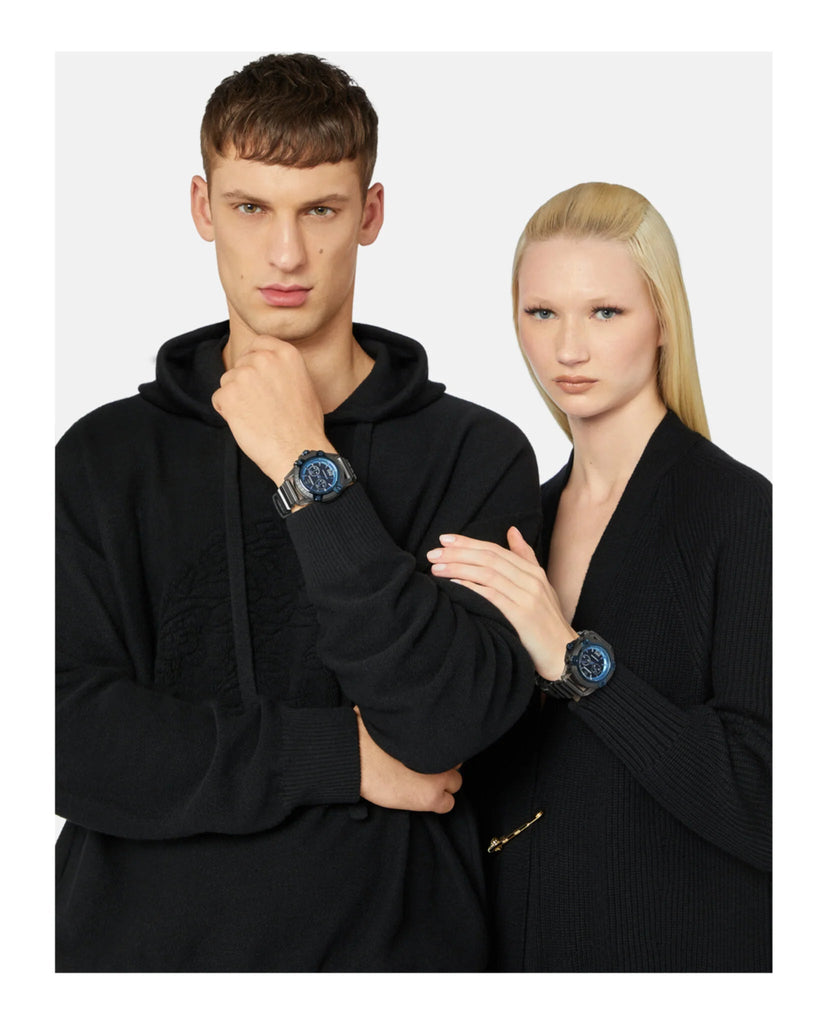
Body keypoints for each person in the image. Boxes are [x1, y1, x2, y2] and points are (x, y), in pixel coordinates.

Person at [55, 52, 541, 972]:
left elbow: (445, 722)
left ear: (370, 214)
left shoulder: (474, 454)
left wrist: (303, 465)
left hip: (392, 966)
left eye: (320, 210)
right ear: (202, 207)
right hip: (132, 968)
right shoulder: (103, 457)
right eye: (251, 208)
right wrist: (338, 758)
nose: (285, 254)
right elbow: (60, 737)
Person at [428, 182, 771, 971]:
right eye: (541, 312)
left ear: (662, 321)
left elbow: (770, 802)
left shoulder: (740, 513)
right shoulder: (516, 522)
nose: (568, 349)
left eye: (604, 312)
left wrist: (574, 660)